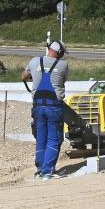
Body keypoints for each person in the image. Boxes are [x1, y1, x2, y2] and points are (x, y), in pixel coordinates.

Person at [22, 41, 69, 180]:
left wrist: (34, 76)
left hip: (37, 107)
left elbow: (23, 76)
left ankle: (40, 169)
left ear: (48, 49)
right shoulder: (63, 65)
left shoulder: (35, 61)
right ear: (60, 53)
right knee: (54, 139)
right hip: (54, 107)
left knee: (41, 139)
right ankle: (48, 171)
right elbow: (62, 81)